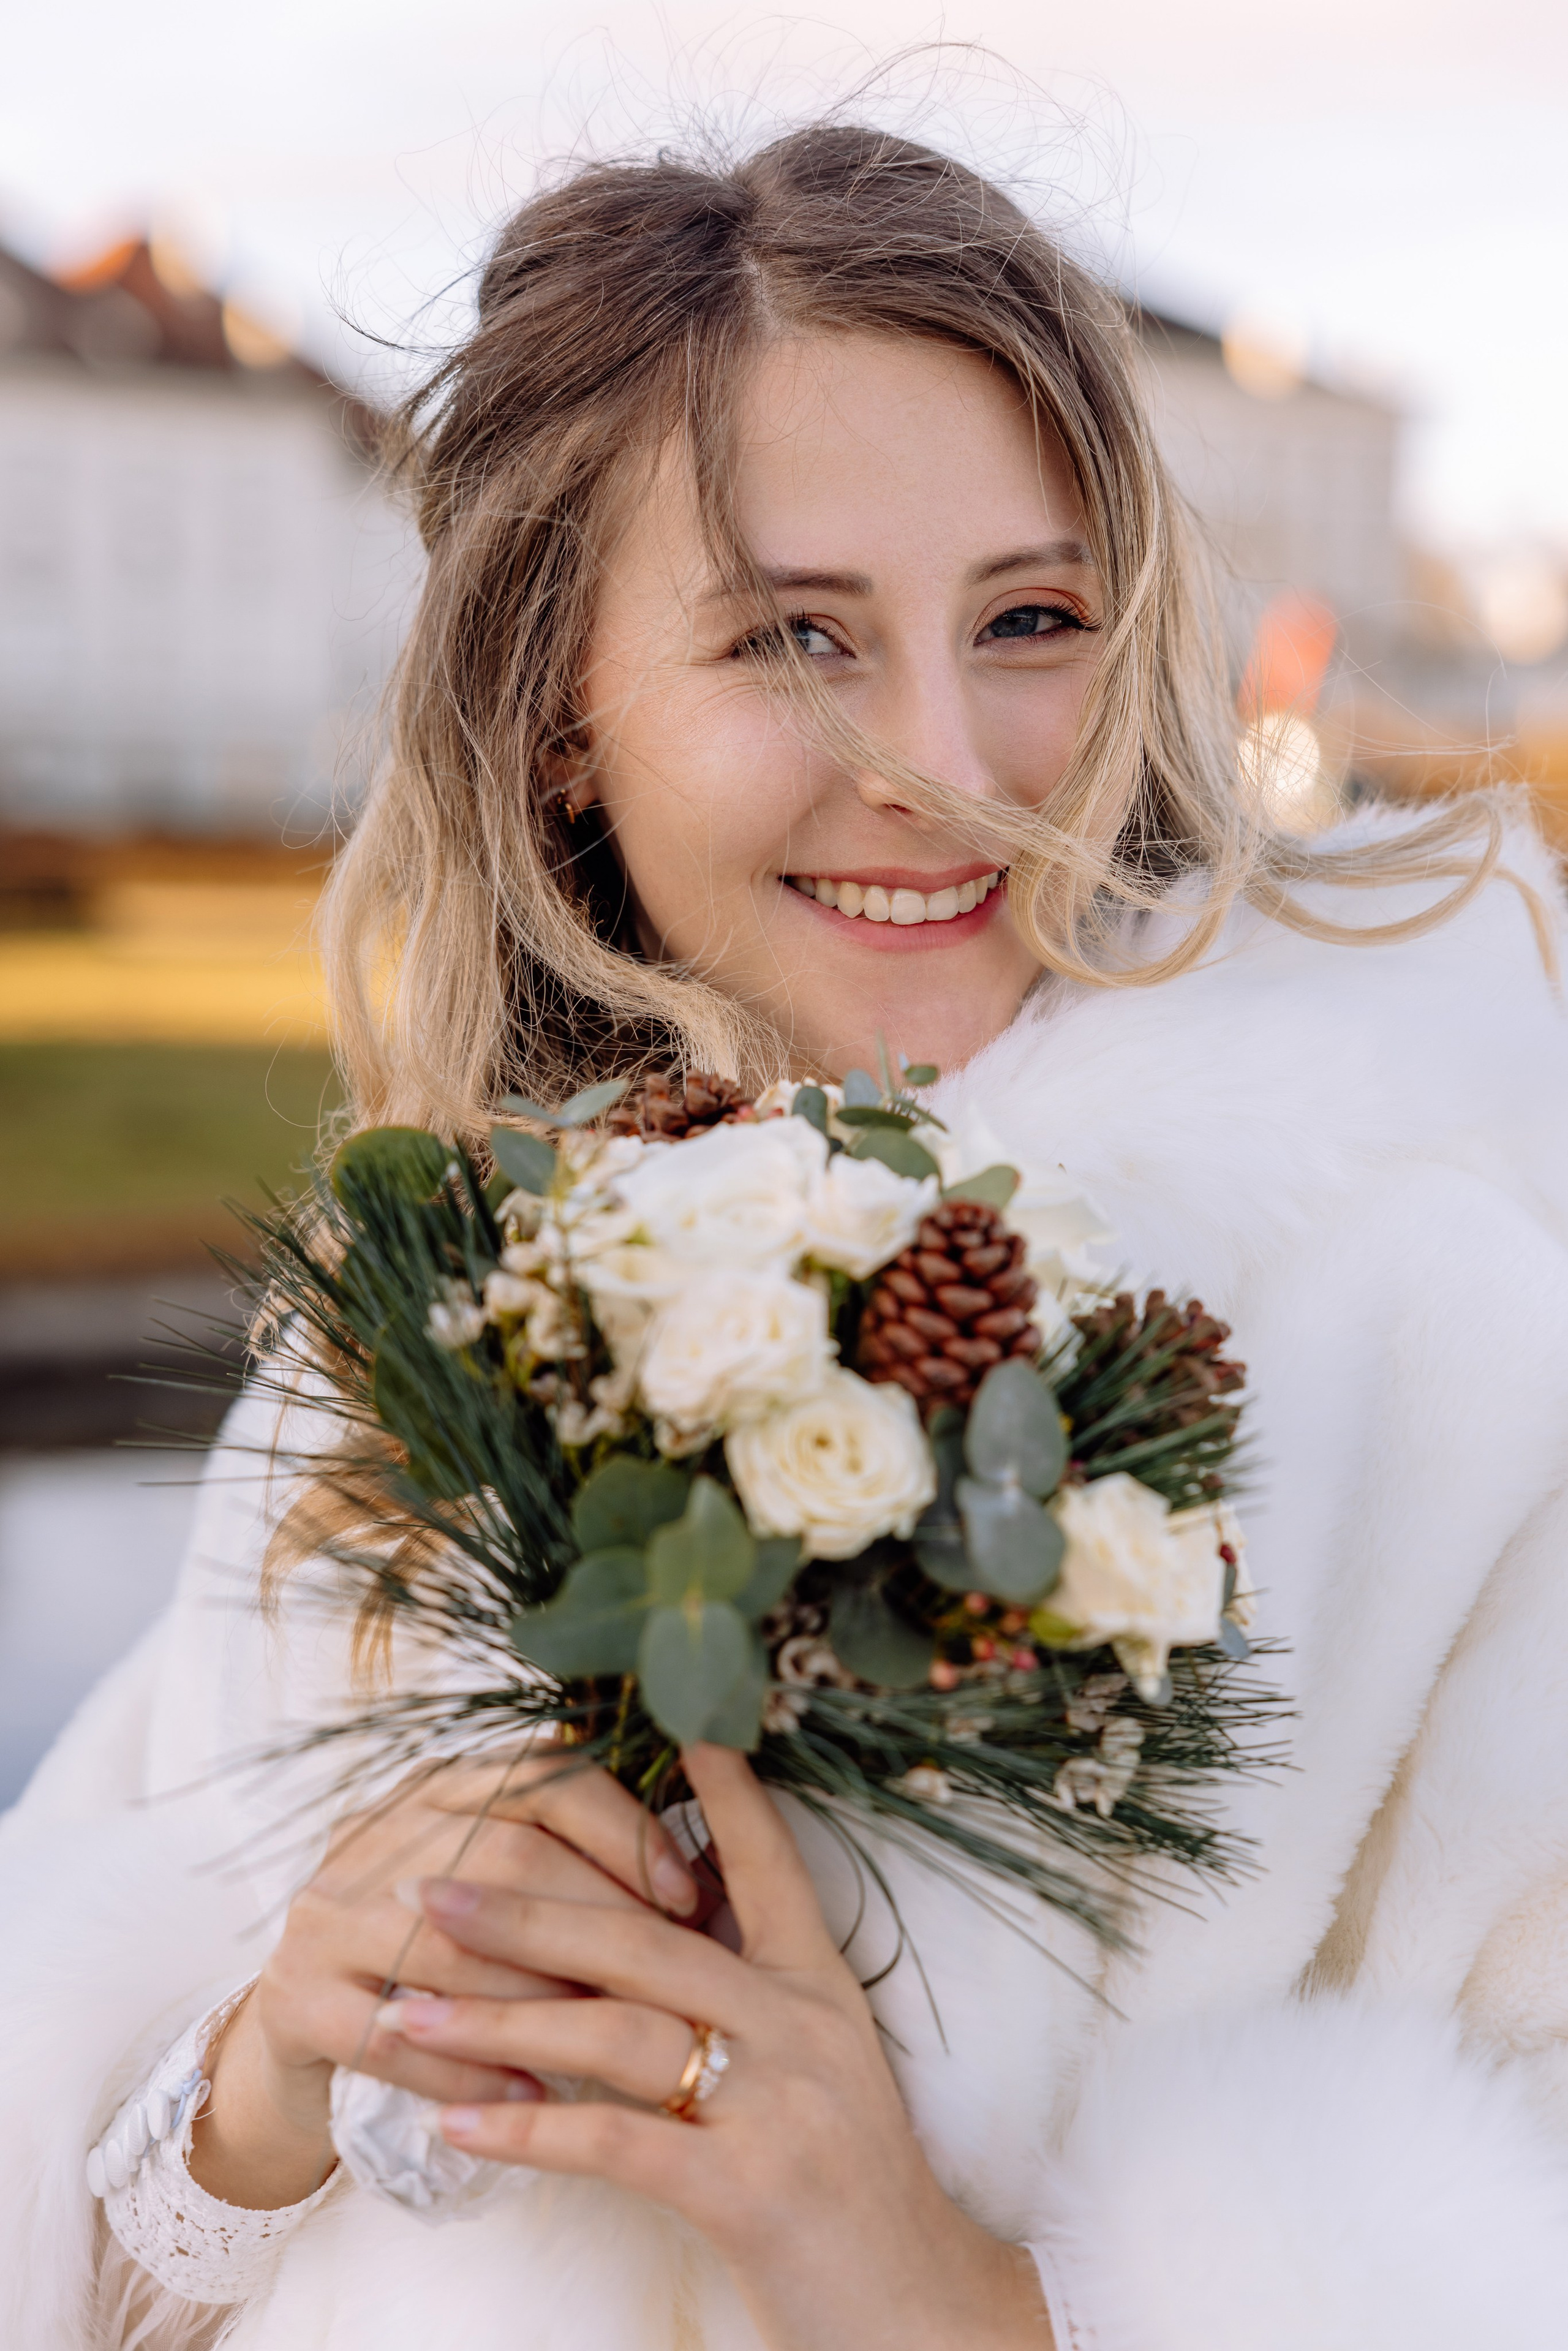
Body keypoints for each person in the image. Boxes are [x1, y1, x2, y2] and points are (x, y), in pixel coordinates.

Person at [4, 121, 1568, 2351]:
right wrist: (265, 2074)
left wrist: (962, 2298)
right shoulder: (396, 1367)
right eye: (793, 640)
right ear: (560, 716)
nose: (945, 763)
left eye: (1028, 621)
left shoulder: (1446, 1331)